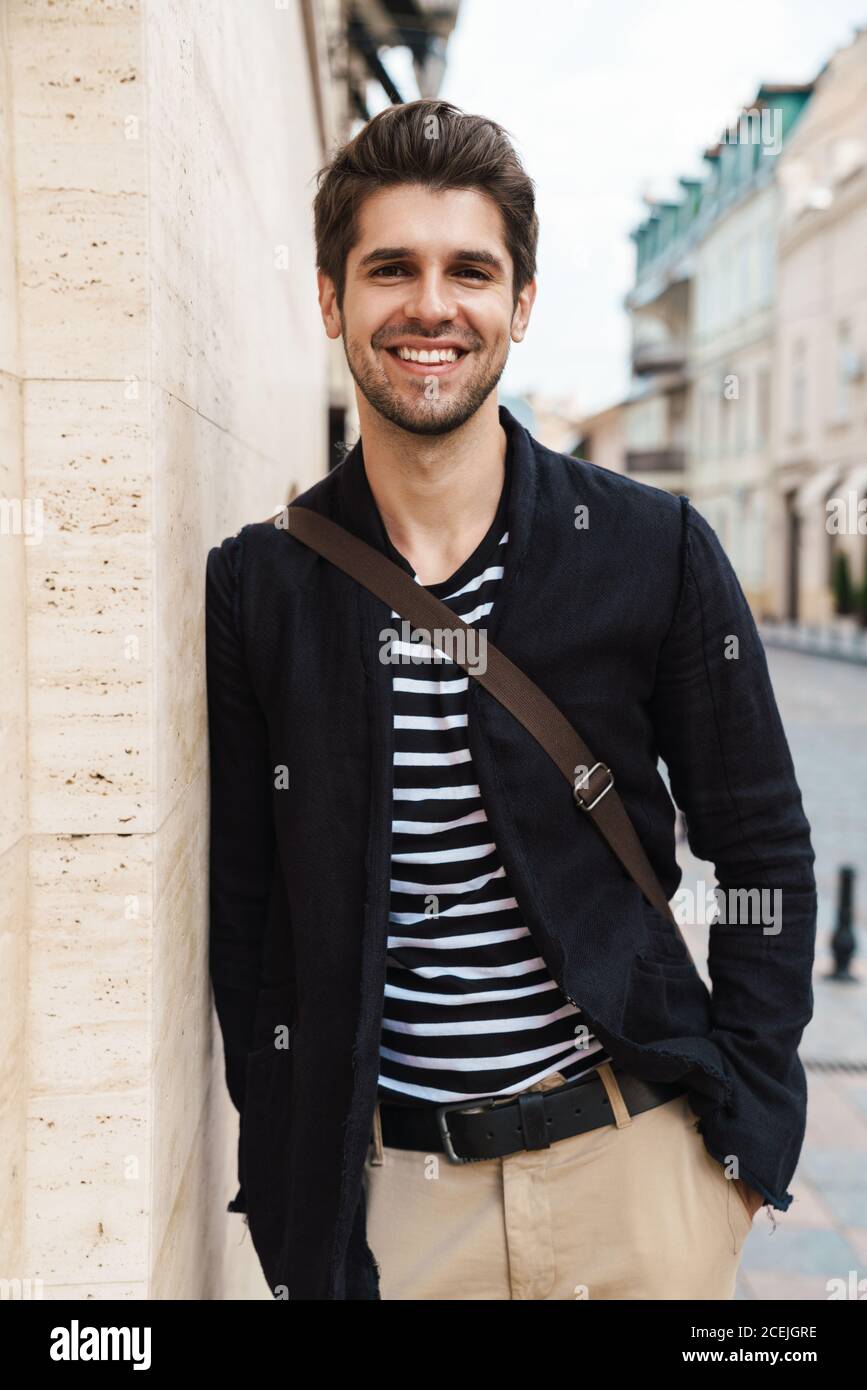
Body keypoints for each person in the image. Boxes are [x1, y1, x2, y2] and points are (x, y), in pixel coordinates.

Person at [205, 99, 817, 1300]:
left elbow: (763, 850)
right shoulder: (262, 586)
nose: (432, 305)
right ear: (331, 300)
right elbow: (248, 918)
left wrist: (743, 1153)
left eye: (469, 270)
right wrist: (291, 1190)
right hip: (396, 1209)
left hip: (637, 1185)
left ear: (520, 303)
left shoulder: (652, 549)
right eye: (392, 268)